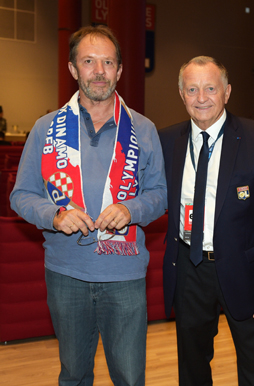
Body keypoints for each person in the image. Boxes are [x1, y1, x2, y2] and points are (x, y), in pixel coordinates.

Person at [10, 25, 166, 385]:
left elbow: (159, 194)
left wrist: (132, 210)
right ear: (72, 68)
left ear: (120, 71)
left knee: (129, 377)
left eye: (108, 62)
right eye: (89, 61)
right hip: (66, 274)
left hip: (124, 276)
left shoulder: (143, 129)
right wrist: (54, 215)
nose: (99, 71)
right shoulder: (45, 128)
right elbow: (21, 195)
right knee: (74, 375)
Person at [159, 56, 254, 386]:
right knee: (192, 365)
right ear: (181, 94)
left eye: (210, 88)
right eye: (192, 89)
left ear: (227, 92)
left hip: (245, 271)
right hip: (189, 267)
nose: (201, 97)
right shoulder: (167, 140)